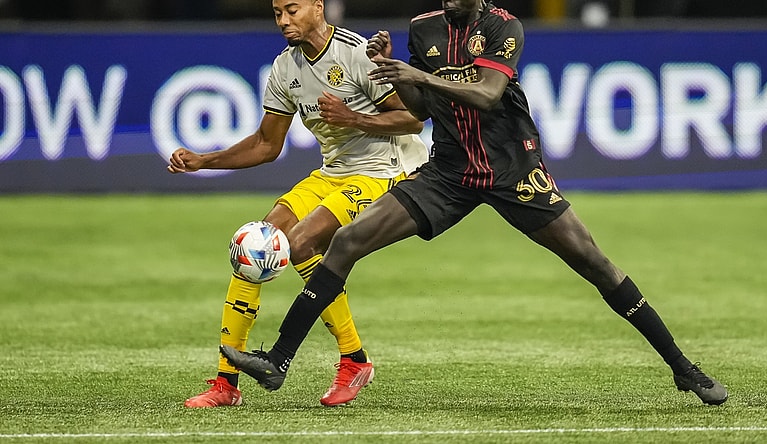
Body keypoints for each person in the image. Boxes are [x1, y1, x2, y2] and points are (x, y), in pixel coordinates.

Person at [219, 0, 728, 406]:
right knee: (348, 240)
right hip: (449, 172)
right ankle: (279, 360)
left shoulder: (505, 26)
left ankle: (684, 369)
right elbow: (419, 109)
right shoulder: (424, 29)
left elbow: (486, 93)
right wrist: (388, 71)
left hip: (512, 168)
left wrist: (417, 76)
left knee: (594, 263)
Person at [168, 0, 428, 408]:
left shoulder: (356, 54)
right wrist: (205, 161)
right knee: (254, 244)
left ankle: (351, 359)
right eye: (277, 13)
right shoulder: (284, 69)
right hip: (335, 171)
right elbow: (266, 144)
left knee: (302, 242)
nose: (284, 21)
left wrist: (351, 118)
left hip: (385, 169)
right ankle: (226, 382)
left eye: (292, 10)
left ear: (317, 7)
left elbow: (414, 118)